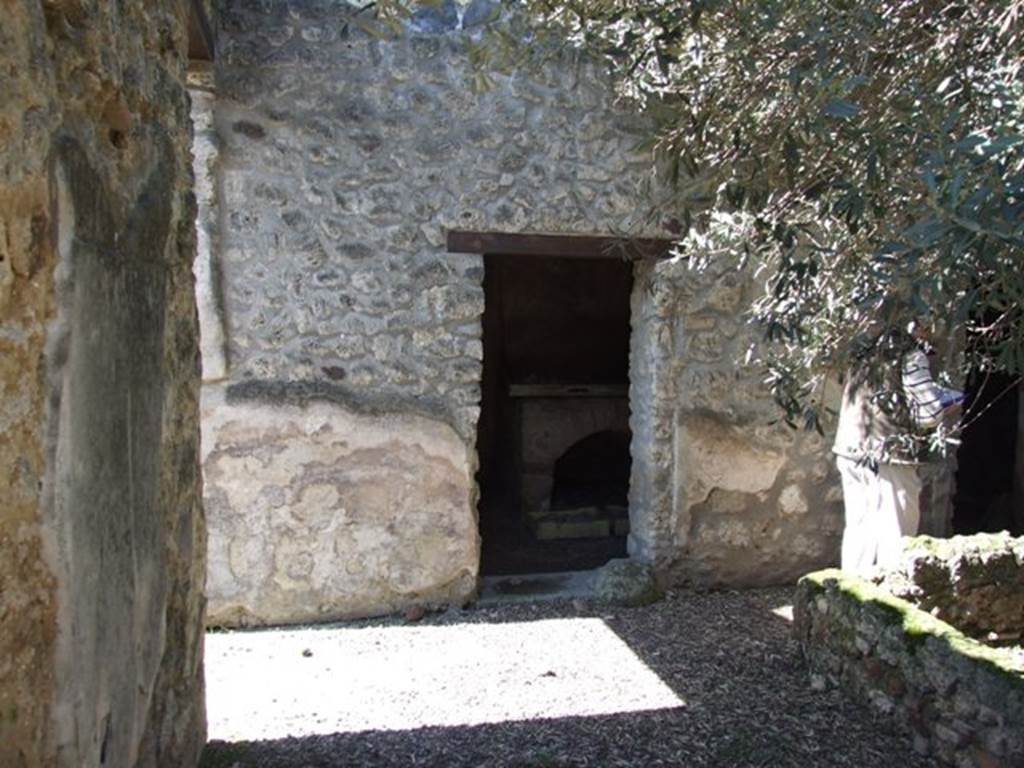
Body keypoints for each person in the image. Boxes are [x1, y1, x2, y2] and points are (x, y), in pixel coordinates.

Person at [832, 327, 962, 576]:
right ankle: (891, 601)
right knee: (896, 535)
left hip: (850, 449)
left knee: (860, 530)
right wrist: (950, 403)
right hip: (891, 456)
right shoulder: (912, 355)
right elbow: (928, 413)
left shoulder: (864, 349)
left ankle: (850, 597)